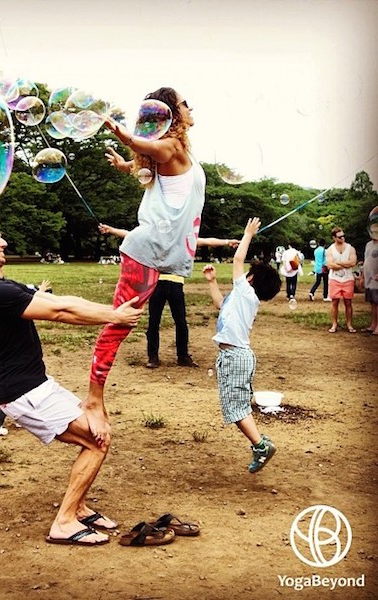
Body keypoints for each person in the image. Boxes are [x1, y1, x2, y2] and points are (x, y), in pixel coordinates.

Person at [0, 219, 143, 545]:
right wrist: (114, 316)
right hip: (25, 393)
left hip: (37, 385)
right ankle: (64, 521)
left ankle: (79, 507)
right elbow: (60, 312)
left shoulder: (3, 286)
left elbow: (65, 300)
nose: (4, 242)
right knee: (97, 441)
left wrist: (113, 309)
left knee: (98, 434)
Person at [87, 86, 206, 443]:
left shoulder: (176, 152)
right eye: (185, 103)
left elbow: (148, 166)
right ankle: (93, 398)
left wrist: (125, 165)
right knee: (119, 322)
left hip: (159, 251)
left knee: (121, 320)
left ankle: (93, 391)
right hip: (146, 250)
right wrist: (123, 135)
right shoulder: (171, 146)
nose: (191, 107)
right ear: (172, 113)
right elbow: (148, 148)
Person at [203, 218, 282, 473]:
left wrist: (248, 234)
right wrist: (212, 282)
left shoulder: (247, 294)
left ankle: (260, 445)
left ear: (250, 279)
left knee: (236, 410)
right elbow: (220, 304)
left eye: (246, 273)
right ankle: (260, 441)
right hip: (237, 356)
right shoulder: (241, 298)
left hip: (235, 357)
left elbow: (238, 260)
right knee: (237, 406)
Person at [99, 224, 238, 368]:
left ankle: (182, 357)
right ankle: (153, 357)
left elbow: (206, 241)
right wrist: (111, 230)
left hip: (176, 284)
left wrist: (228, 242)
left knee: (181, 322)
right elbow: (129, 234)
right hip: (156, 284)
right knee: (154, 322)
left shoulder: (181, 240)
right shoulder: (155, 239)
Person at [0, 279, 52, 436]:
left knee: (21, 392)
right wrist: (41, 292)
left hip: (18, 361)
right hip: (15, 364)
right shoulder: (12, 312)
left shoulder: (11, 306)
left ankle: (18, 418)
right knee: (14, 395)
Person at [326, 227, 358, 333]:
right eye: (340, 237)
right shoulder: (330, 249)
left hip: (348, 279)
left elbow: (353, 262)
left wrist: (338, 263)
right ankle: (334, 324)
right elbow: (330, 265)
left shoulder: (350, 248)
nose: (342, 238)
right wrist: (345, 264)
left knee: (348, 302)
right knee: (334, 302)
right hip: (334, 279)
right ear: (334, 238)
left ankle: (349, 324)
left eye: (343, 236)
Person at [364, 220, 378, 334]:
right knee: (372, 303)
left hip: (376, 279)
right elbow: (366, 260)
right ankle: (373, 324)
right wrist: (363, 276)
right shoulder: (368, 245)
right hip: (369, 279)